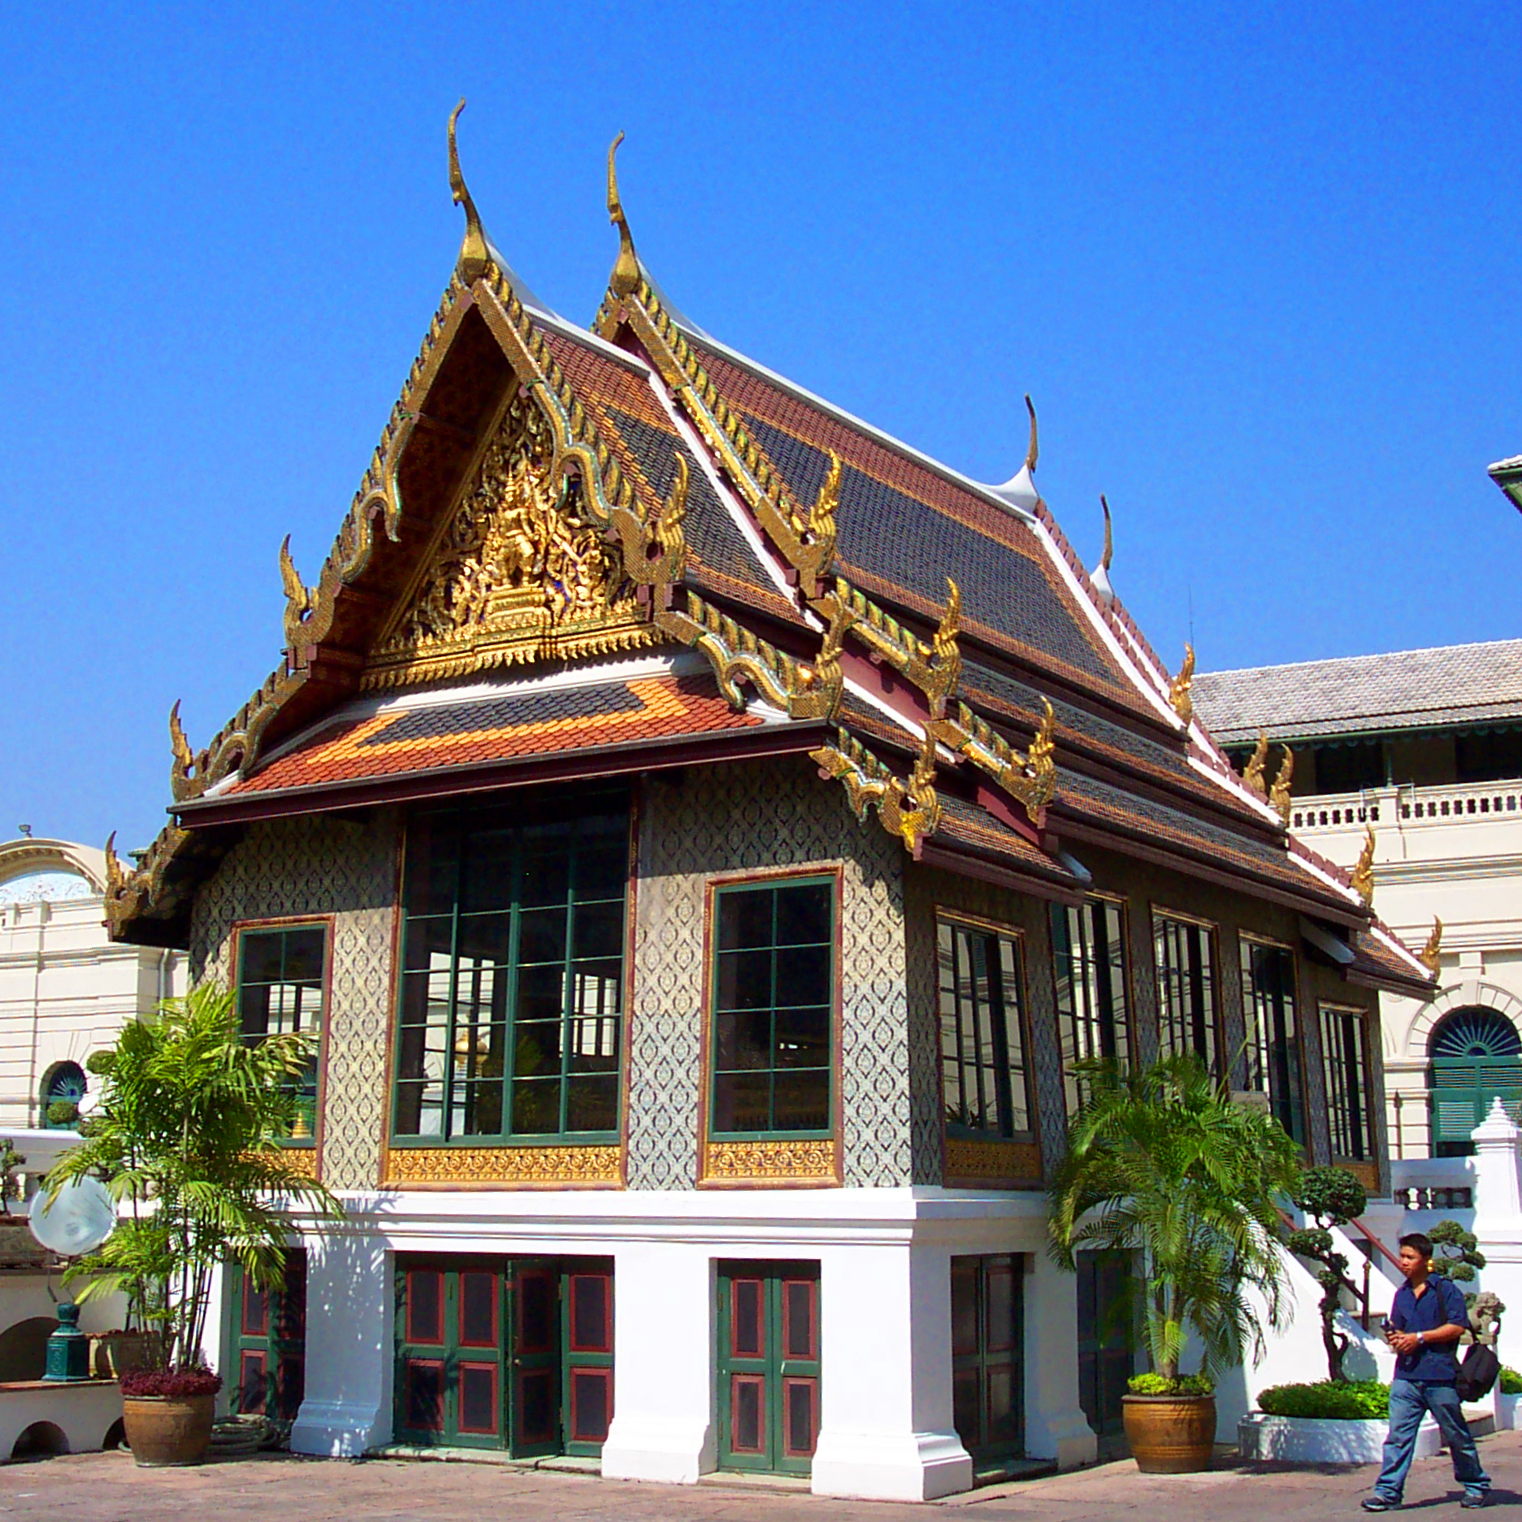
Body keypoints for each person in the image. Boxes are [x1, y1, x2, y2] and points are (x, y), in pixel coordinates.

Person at [1362, 1232, 1490, 1511]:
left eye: (1410, 1257)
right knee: (1398, 1437)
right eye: (1402, 1256)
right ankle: (1388, 1492)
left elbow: (1457, 1326)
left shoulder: (1445, 1290)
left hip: (1439, 1377)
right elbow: (1398, 1327)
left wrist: (1419, 1338)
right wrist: (1397, 1339)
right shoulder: (1402, 1294)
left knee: (1456, 1434)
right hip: (1406, 1377)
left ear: (1426, 1260)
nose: (1404, 1262)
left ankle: (1476, 1485)